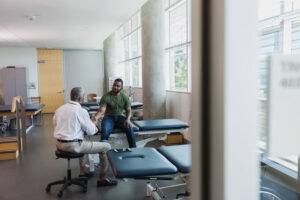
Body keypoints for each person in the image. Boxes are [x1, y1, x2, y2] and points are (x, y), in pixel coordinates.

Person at [53, 87, 117, 187]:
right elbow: (91, 131)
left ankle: (83, 172)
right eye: (83, 96)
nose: (84, 97)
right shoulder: (81, 111)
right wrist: (94, 121)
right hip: (73, 146)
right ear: (78, 97)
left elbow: (57, 125)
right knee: (106, 146)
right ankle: (103, 179)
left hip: (59, 144)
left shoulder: (59, 109)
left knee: (83, 139)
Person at [92, 78, 136, 148]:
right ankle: (103, 152)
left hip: (120, 117)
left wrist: (128, 119)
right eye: (114, 85)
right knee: (105, 130)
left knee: (129, 128)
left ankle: (134, 149)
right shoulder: (106, 96)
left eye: (118, 86)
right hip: (109, 117)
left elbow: (128, 110)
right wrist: (95, 118)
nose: (115, 87)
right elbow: (101, 111)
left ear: (121, 87)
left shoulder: (124, 97)